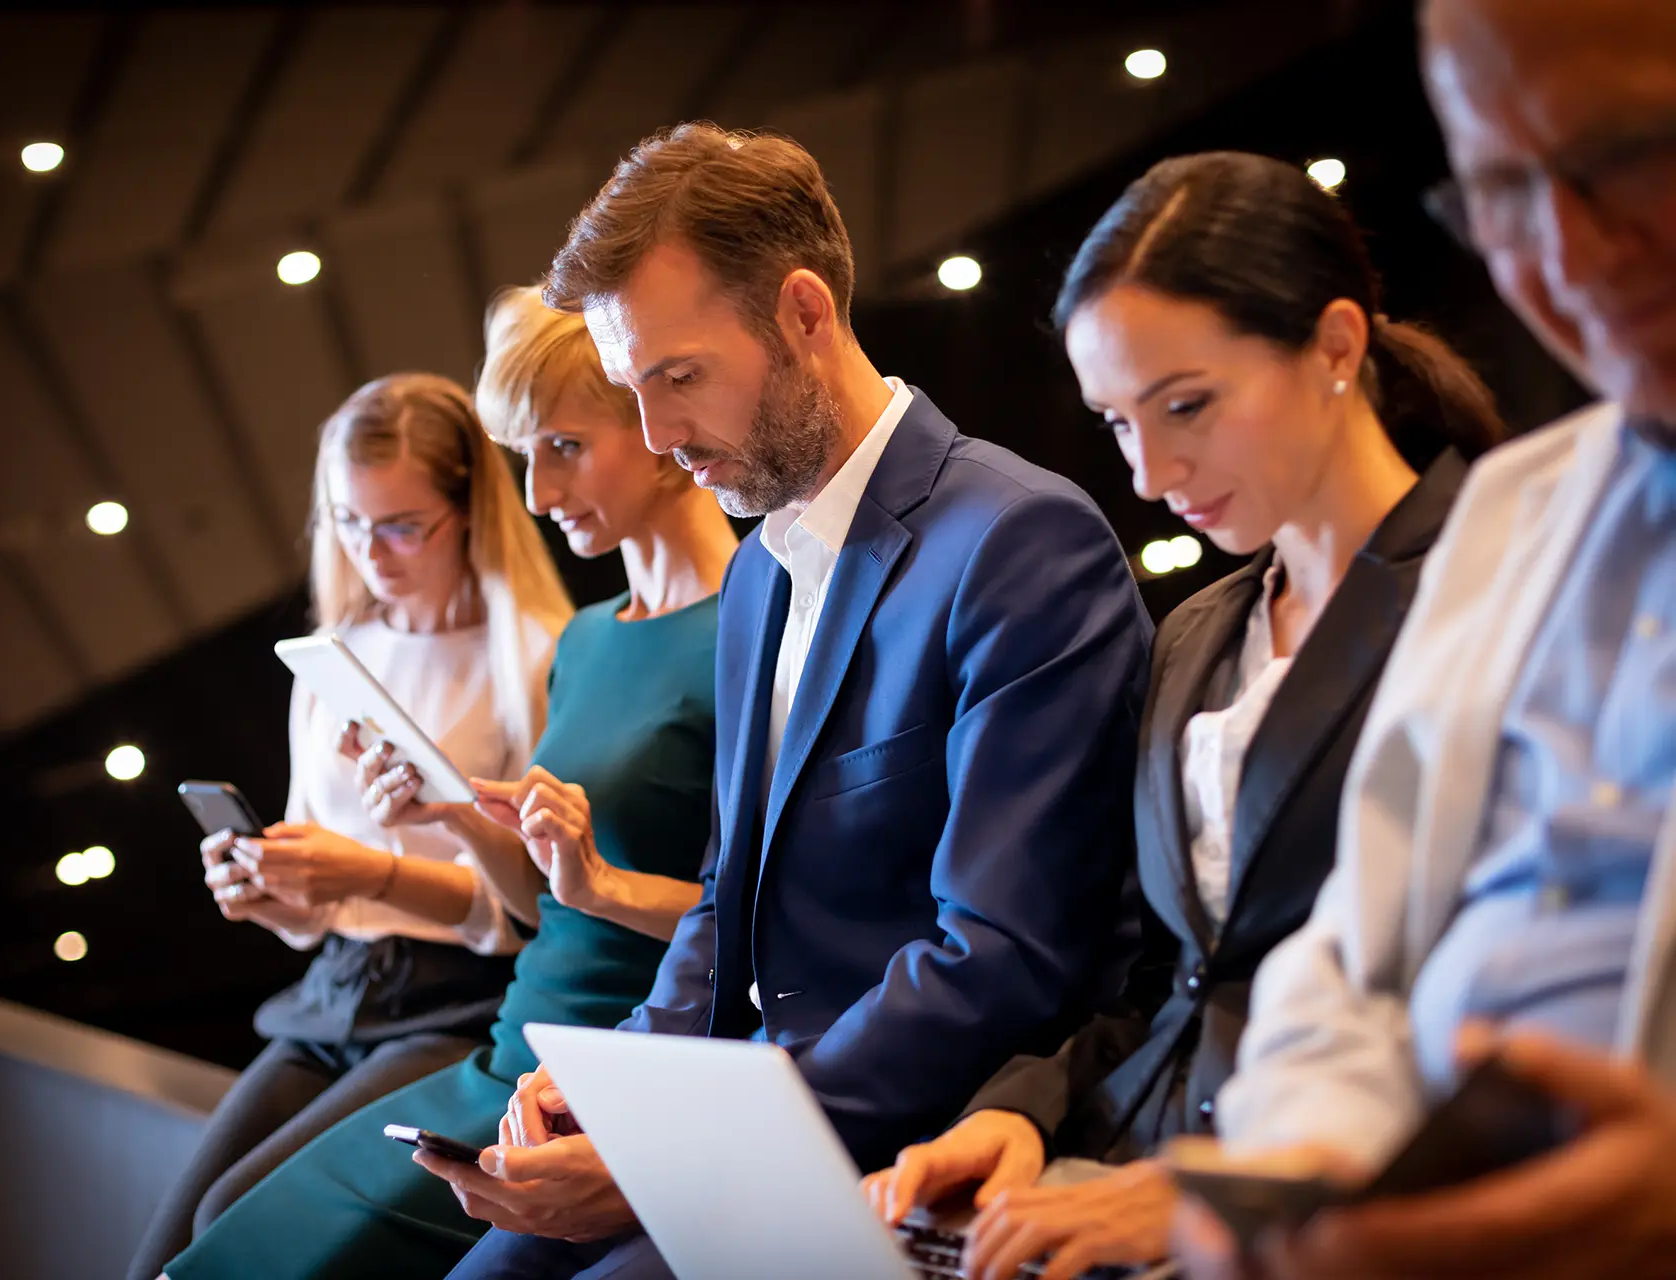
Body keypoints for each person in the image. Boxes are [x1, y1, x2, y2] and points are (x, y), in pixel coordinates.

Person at [418, 123, 1153, 1280]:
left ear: (805, 313)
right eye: (632, 389)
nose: (657, 437)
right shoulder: (759, 567)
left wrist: (674, 1147)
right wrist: (625, 1075)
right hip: (745, 1114)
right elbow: (727, 899)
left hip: (903, 1141)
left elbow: (997, 955)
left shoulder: (1018, 541)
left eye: (679, 376)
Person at [861, 151, 1507, 1280]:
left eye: (1188, 405)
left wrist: (1215, 1193)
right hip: (1118, 1168)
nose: (1152, 473)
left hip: (1338, 1209)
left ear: (1338, 346)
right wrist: (1023, 1112)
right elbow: (1163, 978)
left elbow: (1496, 1003)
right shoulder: (1198, 632)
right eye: (1116, 424)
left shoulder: (1493, 585)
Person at [1171, 1, 1676, 1277]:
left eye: (1630, 148)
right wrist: (1316, 1165)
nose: (1567, 252)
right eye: (1504, 188)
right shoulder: (1522, 506)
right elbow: (1353, 953)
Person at [158, 285, 738, 1280]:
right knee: (216, 1244)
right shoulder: (592, 642)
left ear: (656, 423)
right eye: (529, 457)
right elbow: (536, 906)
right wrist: (453, 813)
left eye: (563, 448)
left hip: (595, 1052)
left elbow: (757, 917)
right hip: (515, 1028)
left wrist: (588, 881)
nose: (544, 495)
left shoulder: (745, 630)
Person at [128, 374, 572, 1279]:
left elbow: (535, 904)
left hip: (460, 1002)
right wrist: (271, 892)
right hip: (338, 989)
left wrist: (365, 875)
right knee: (163, 1248)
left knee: (229, 1227)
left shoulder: (535, 654)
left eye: (403, 525)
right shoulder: (332, 657)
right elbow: (316, 905)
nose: (375, 553)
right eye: (349, 523)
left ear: (471, 509)